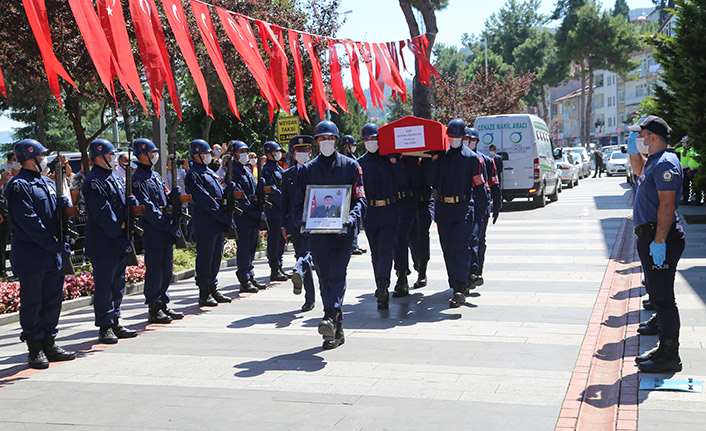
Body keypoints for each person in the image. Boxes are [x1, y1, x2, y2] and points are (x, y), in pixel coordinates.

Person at [294, 121, 366, 349]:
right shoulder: (308, 170)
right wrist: (302, 221)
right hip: (317, 235)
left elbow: (361, 200)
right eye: (322, 139)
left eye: (330, 138)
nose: (326, 142)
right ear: (316, 142)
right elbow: (298, 204)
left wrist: (351, 218)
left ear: (337, 140)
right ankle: (336, 326)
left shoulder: (351, 167)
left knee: (336, 273)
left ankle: (328, 316)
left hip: (343, 235)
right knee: (324, 278)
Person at [5, 139, 76, 369]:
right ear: (29, 156)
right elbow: (29, 222)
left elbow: (52, 216)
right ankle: (34, 347)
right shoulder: (18, 185)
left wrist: (64, 211)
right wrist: (51, 244)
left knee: (53, 300)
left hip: (50, 254)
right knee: (33, 301)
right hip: (32, 255)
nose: (44, 159)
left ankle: (49, 342)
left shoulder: (46, 182)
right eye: (41, 155)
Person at [627, 115, 686, 373]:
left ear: (652, 137)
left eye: (640, 135)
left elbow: (667, 204)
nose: (639, 139)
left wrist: (659, 241)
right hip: (649, 235)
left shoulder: (666, 163)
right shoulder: (653, 161)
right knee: (659, 295)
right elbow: (638, 170)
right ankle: (664, 348)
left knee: (663, 299)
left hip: (659, 236)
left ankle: (670, 355)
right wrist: (632, 149)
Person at [82, 139, 139, 344]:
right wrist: (119, 238)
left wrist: (131, 204)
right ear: (99, 156)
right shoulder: (94, 181)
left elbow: (119, 207)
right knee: (105, 285)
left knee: (117, 284)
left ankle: (114, 319)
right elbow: (104, 215)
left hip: (117, 239)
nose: (114, 157)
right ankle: (104, 325)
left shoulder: (113, 177)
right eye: (111, 154)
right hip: (104, 242)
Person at [426, 119, 485, 308]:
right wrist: (433, 161)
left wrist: (482, 212)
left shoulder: (472, 159)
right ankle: (455, 284)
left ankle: (460, 287)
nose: (454, 139)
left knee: (461, 248)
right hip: (444, 209)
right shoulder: (441, 157)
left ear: (464, 137)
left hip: (463, 209)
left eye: (457, 136)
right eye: (451, 136)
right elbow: (430, 180)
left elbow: (479, 186)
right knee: (448, 249)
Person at [131, 138, 185, 324]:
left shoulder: (155, 176)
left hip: (163, 226)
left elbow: (164, 197)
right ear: (142, 155)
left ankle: (163, 303)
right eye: (151, 153)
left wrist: (173, 196)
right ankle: (154, 307)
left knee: (166, 269)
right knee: (155, 269)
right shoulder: (138, 179)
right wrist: (167, 225)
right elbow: (149, 208)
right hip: (153, 229)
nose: (154, 156)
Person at [357, 123, 408, 307]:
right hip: (371, 212)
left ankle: (382, 285)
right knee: (376, 253)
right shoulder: (360, 163)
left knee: (386, 248)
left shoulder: (390, 158)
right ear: (363, 141)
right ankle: (382, 286)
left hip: (390, 210)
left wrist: (395, 163)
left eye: (374, 139)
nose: (371, 142)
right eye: (368, 139)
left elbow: (403, 181)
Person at [184, 139, 235, 307]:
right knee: (205, 258)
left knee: (215, 257)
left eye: (208, 153)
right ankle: (204, 292)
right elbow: (205, 200)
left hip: (216, 222)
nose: (208, 156)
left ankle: (213, 287)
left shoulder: (208, 172)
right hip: (206, 222)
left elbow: (217, 195)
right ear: (196, 155)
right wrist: (223, 216)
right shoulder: (194, 174)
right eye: (205, 153)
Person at [282, 135, 317, 312]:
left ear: (310, 152)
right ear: (293, 153)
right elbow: (284, 203)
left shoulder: (316, 170)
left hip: (317, 221)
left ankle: (298, 269)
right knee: (304, 254)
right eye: (299, 151)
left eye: (305, 151)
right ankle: (309, 298)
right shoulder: (287, 175)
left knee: (311, 257)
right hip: (296, 223)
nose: (302, 154)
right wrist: (283, 226)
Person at [465, 127, 501, 288]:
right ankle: (469, 274)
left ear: (477, 142)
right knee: (468, 240)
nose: (468, 142)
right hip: (465, 206)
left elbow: (494, 184)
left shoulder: (486, 160)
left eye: (471, 140)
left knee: (479, 240)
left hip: (481, 207)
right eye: (466, 139)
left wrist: (497, 205)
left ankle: (477, 270)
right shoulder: (461, 160)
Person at [230, 140, 264, 293]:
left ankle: (250, 275)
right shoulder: (233, 171)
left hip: (252, 215)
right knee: (243, 248)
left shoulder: (247, 170)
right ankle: (244, 279)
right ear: (234, 154)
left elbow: (254, 191)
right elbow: (240, 198)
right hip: (243, 215)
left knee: (252, 247)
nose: (244, 154)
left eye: (245, 151)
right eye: (240, 151)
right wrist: (254, 212)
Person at [260, 141, 289, 282]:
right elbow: (272, 191)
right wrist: (285, 201)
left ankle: (280, 266)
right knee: (274, 239)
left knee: (281, 240)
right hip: (274, 209)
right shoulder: (267, 170)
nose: (278, 153)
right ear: (268, 153)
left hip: (281, 209)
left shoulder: (278, 168)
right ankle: (274, 268)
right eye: (275, 151)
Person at [341, 134, 365, 255]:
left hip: (354, 194)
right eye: (352, 145)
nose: (354, 147)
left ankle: (354, 244)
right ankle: (352, 245)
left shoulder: (353, 159)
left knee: (356, 220)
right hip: (346, 195)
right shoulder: (344, 160)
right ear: (346, 146)